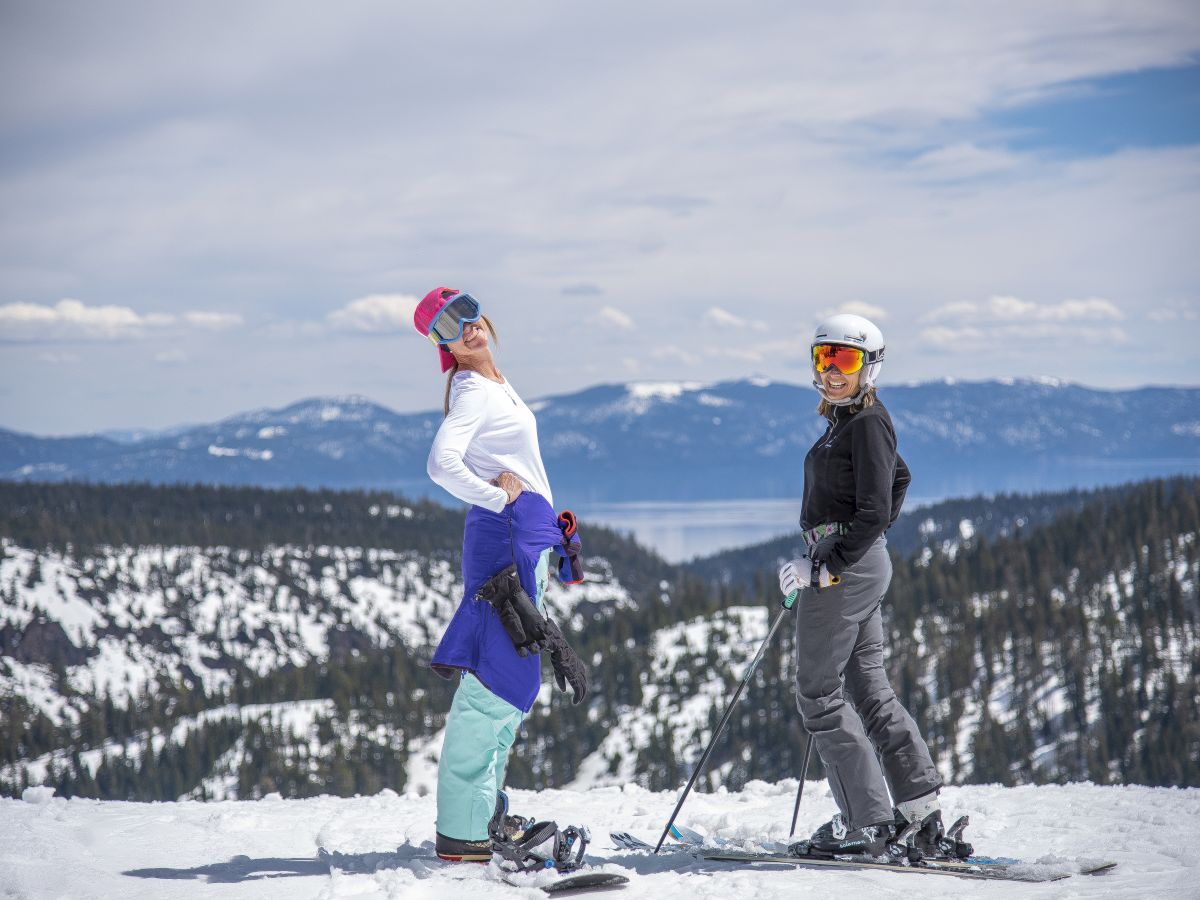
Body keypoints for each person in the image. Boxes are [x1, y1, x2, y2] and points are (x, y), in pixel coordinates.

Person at [413, 287, 588, 869]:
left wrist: (551, 530)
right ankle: (463, 830)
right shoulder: (470, 389)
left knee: (512, 677)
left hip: (520, 539)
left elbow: (521, 468)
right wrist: (497, 498)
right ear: (442, 346)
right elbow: (441, 463)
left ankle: (480, 811)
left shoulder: (493, 384)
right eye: (444, 326)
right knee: (497, 677)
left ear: (481, 314)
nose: (462, 326)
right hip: (505, 541)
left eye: (464, 309)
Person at [778, 313, 943, 858]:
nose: (832, 370)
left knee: (819, 695)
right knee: (869, 688)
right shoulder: (848, 422)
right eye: (824, 357)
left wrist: (832, 562)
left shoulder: (867, 422)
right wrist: (844, 551)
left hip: (845, 567)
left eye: (845, 360)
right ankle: (918, 812)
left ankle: (867, 823)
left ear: (870, 366)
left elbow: (874, 507)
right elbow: (900, 479)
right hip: (855, 561)